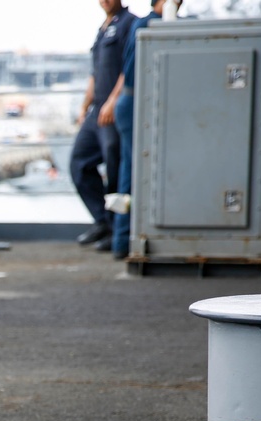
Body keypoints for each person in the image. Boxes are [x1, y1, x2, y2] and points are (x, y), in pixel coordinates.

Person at [111, 0, 180, 260]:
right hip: (134, 102)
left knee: (130, 170)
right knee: (131, 173)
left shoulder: (140, 23)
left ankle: (122, 241)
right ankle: (122, 241)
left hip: (132, 101)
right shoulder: (150, 24)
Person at [72, 0, 137, 252]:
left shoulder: (129, 23)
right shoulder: (102, 29)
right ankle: (102, 221)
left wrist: (112, 101)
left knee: (114, 166)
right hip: (96, 111)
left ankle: (116, 227)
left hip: (113, 110)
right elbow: (95, 73)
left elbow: (127, 69)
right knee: (79, 162)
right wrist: (84, 105)